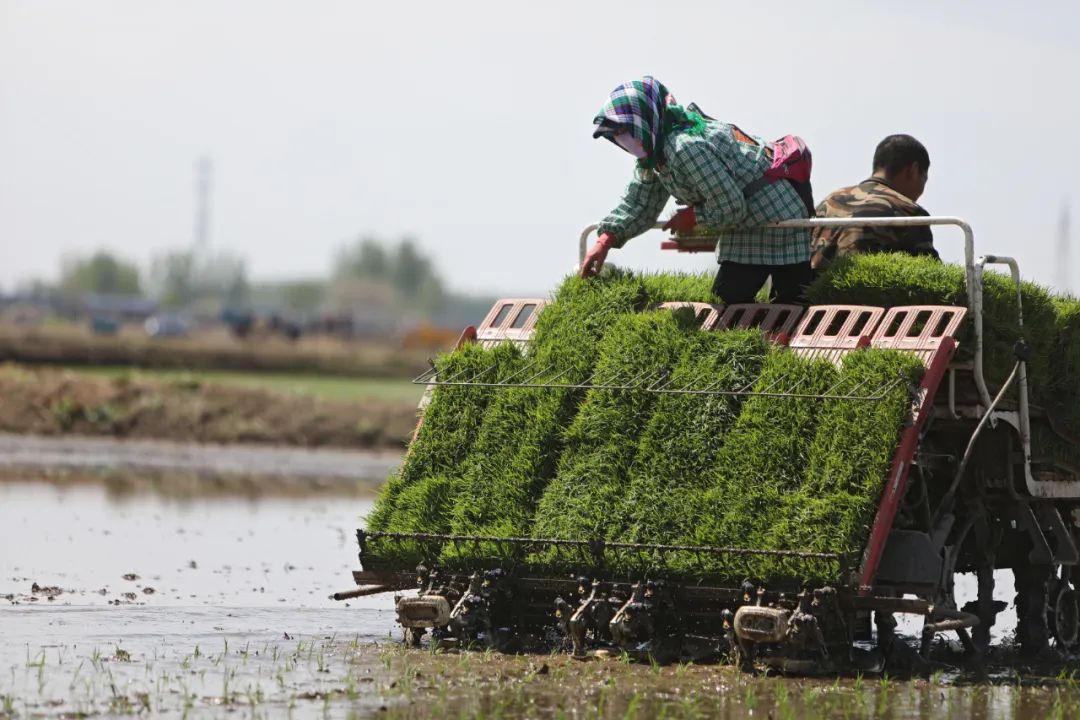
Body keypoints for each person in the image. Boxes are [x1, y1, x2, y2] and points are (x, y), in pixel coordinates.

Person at [582, 77, 813, 304]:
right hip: (747, 224)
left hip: (779, 214)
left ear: (646, 120)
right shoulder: (656, 156)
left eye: (627, 131)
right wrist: (605, 240)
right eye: (617, 137)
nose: (625, 141)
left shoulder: (684, 148)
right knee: (728, 299)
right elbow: (640, 202)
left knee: (791, 301)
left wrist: (693, 216)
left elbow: (731, 207)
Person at [811, 134, 939, 270]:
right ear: (913, 170)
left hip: (811, 290)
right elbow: (932, 274)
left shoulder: (828, 201)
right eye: (924, 177)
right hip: (868, 290)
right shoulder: (910, 212)